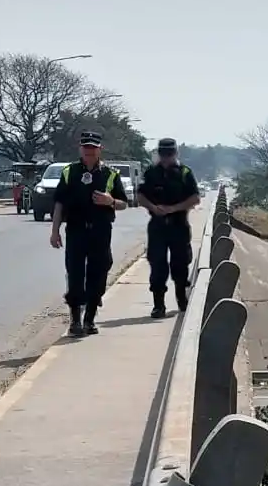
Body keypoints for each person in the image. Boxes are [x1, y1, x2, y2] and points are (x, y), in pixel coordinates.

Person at [49, 130, 130, 337]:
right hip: (76, 230)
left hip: (100, 231)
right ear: (80, 148)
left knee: (98, 273)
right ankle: (75, 321)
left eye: (93, 148)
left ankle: (90, 319)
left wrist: (110, 200)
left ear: (99, 150)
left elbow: (124, 204)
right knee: (75, 274)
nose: (89, 151)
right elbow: (59, 202)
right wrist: (54, 230)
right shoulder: (70, 172)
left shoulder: (110, 174)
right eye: (86, 147)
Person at [137, 138, 201, 318]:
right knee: (157, 264)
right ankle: (159, 304)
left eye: (169, 154)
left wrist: (173, 208)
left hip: (178, 224)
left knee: (180, 263)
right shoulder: (151, 172)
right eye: (163, 154)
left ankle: (181, 298)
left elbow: (195, 198)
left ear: (176, 153)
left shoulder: (185, 172)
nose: (166, 158)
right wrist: (153, 207)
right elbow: (140, 195)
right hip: (157, 225)